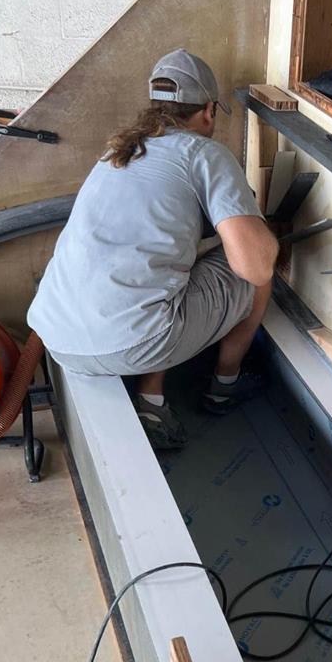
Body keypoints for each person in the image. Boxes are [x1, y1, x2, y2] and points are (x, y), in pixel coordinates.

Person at [27, 49, 278, 449]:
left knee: (169, 273)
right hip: (134, 343)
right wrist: (266, 234)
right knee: (255, 275)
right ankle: (225, 386)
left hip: (57, 340)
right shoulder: (205, 153)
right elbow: (256, 267)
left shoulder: (118, 151)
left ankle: (152, 401)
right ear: (209, 111)